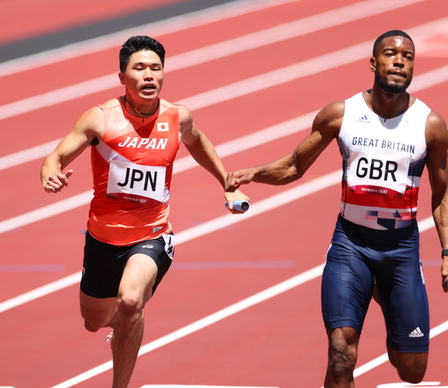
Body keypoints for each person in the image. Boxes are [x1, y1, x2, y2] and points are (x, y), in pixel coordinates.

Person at [225, 30, 448, 387]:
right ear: (374, 63)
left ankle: (386, 296)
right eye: (390, 54)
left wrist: (447, 251)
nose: (399, 61)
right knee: (341, 353)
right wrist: (254, 173)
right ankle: (369, 285)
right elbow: (295, 165)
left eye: (407, 57)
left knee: (412, 370)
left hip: (400, 251)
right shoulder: (341, 115)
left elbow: (443, 196)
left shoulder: (430, 125)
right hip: (351, 246)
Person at [40, 35, 248, 388]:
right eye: (139, 68)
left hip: (151, 235)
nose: (149, 75)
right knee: (94, 321)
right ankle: (122, 326)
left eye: (156, 68)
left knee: (131, 299)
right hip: (102, 238)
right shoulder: (100, 119)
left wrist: (226, 183)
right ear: (122, 77)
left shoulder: (177, 117)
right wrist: (49, 172)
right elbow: (56, 157)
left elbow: (199, 143)